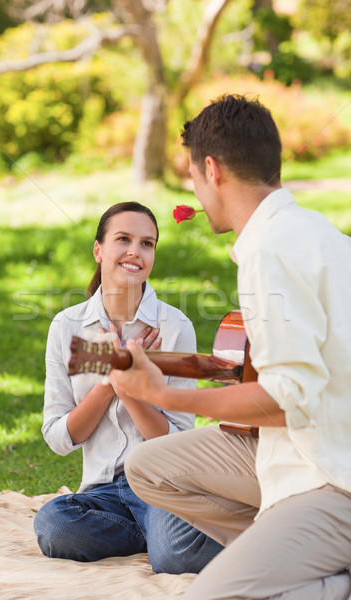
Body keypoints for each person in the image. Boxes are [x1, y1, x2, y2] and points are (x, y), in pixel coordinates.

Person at [110, 95, 351, 599]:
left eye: (194, 179)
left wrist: (167, 395)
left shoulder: (270, 251)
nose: (195, 192)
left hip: (333, 476)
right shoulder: (318, 232)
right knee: (148, 465)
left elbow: (290, 400)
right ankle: (287, 560)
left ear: (212, 170)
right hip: (302, 448)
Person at [33, 201, 223, 574]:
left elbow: (179, 440)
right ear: (98, 250)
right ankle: (152, 536)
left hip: (159, 484)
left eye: (147, 243)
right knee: (54, 524)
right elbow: (58, 438)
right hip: (102, 493)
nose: (136, 251)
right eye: (123, 239)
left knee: (174, 559)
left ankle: (166, 537)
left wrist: (134, 389)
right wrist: (111, 381)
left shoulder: (173, 327)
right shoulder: (67, 326)